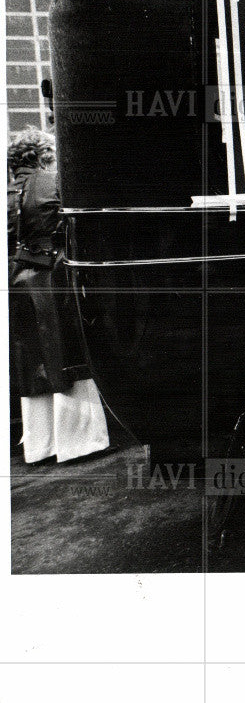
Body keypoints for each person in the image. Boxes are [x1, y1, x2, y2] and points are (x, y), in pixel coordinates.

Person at [8, 127, 110, 463]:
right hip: (52, 276)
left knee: (32, 359)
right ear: (41, 154)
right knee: (66, 352)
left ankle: (41, 445)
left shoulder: (13, 188)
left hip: (19, 279)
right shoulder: (50, 182)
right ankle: (78, 441)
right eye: (51, 150)